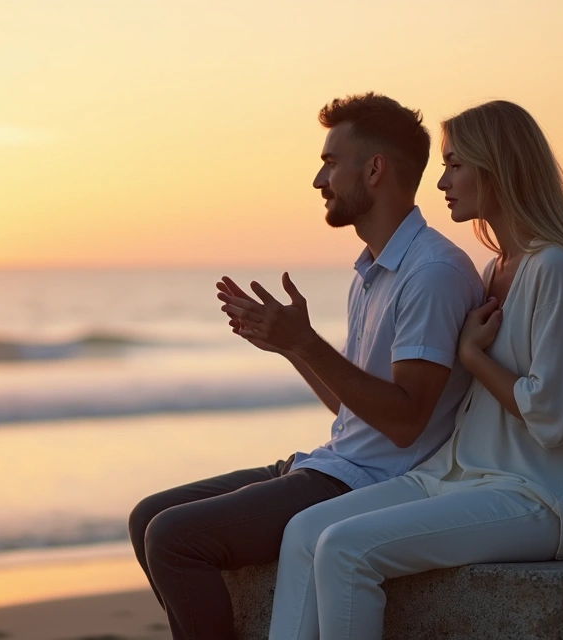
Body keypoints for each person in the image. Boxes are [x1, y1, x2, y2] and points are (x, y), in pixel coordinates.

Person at [267, 99, 563, 640]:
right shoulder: (496, 268)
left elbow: (555, 418)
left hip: (541, 498)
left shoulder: (554, 268)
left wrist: (473, 358)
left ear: (498, 167)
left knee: (345, 550)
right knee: (303, 532)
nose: (441, 183)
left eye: (455, 164)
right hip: (460, 475)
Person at [127, 93, 483, 640]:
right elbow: (353, 405)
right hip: (335, 460)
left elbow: (408, 420)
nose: (320, 180)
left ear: (374, 169)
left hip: (372, 483)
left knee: (173, 539)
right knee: (147, 515)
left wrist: (308, 342)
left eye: (330, 162)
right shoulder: (374, 269)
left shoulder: (431, 272)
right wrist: (290, 346)